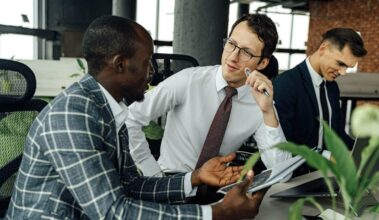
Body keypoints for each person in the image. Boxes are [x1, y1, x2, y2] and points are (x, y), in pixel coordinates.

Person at [6, 15, 267, 220]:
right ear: (120, 64)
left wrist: (194, 178)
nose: (152, 72)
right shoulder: (71, 115)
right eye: (147, 62)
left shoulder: (107, 108)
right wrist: (216, 214)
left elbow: (130, 186)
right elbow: (112, 213)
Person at [126, 13, 291, 178]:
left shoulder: (260, 101)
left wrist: (268, 111)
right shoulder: (189, 80)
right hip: (172, 178)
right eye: (231, 44)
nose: (233, 57)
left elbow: (282, 173)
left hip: (216, 188)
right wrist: (153, 174)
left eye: (246, 52)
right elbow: (129, 119)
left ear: (262, 63)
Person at [273, 28, 367, 176]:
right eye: (340, 63)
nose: (343, 73)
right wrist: (329, 157)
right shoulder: (286, 84)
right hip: (294, 178)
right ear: (324, 48)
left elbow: (337, 135)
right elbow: (282, 144)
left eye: (347, 68)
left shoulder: (332, 88)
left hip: (325, 176)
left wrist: (364, 151)